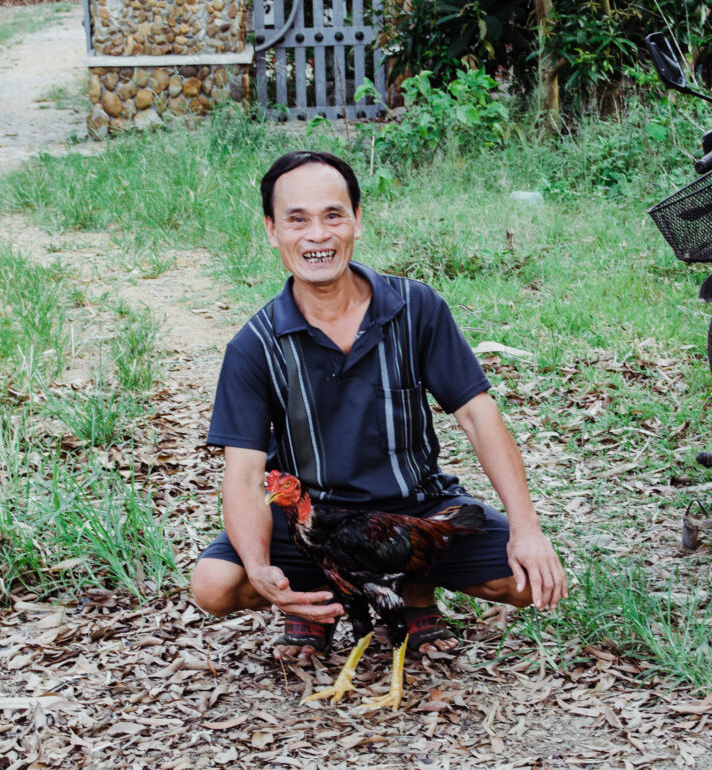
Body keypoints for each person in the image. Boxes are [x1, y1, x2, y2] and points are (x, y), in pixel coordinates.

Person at [191, 150, 567, 661]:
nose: (317, 235)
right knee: (215, 585)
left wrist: (528, 529)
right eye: (297, 219)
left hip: (415, 510)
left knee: (524, 582)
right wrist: (259, 567)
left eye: (333, 215)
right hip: (314, 525)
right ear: (272, 230)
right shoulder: (254, 345)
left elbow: (478, 415)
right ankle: (314, 606)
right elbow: (242, 474)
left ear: (357, 221)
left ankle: (414, 595)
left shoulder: (416, 308)